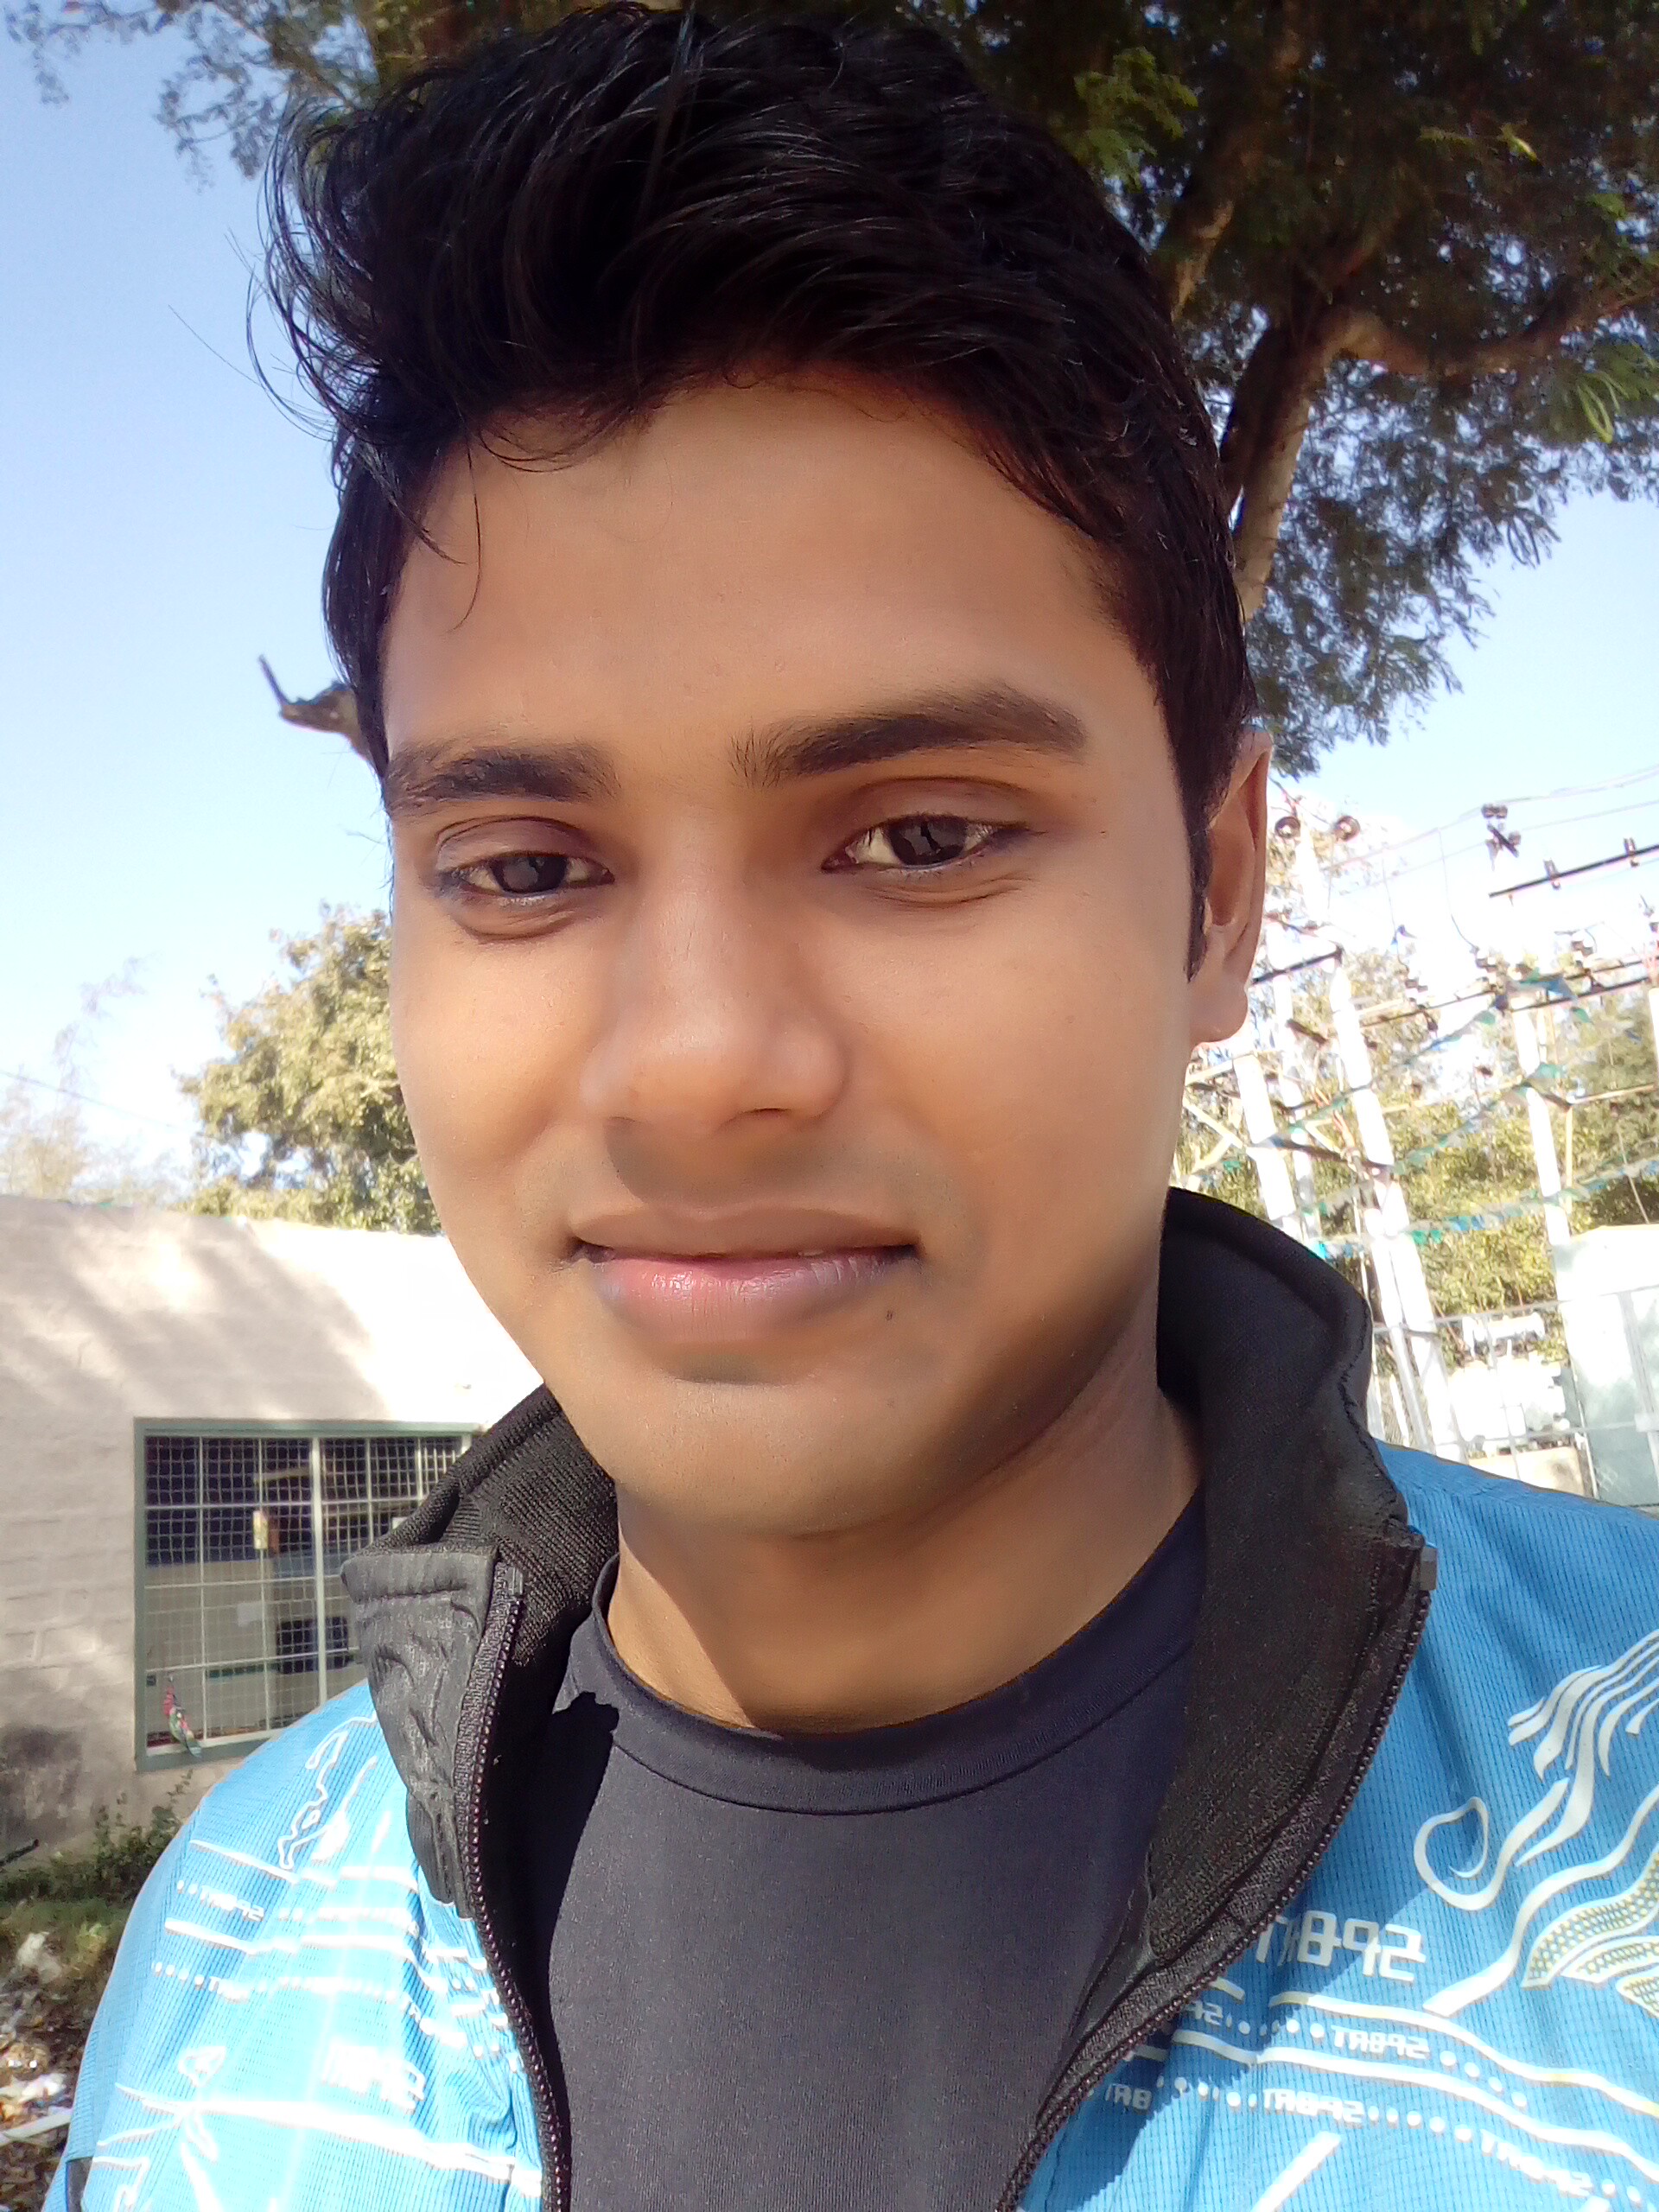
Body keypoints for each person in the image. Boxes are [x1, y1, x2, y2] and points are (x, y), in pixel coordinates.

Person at [52, 9, 1659, 2209]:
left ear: (1216, 896)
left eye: (918, 836)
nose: (699, 1061)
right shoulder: (235, 1941)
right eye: (526, 867)